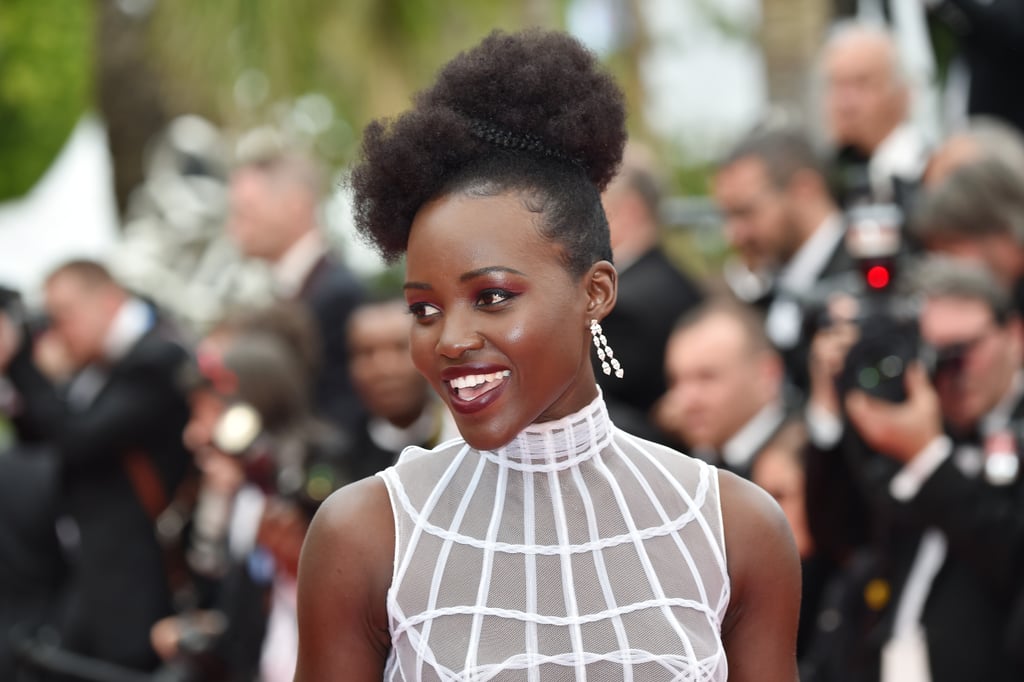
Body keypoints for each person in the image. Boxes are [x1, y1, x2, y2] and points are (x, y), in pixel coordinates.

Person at [294, 29, 800, 681]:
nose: (450, 339)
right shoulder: (365, 536)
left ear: (595, 292)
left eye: (493, 296)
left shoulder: (734, 528)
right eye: (424, 308)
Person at [807, 258, 1024, 681]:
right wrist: (832, 408)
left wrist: (928, 459)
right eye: (934, 354)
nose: (950, 371)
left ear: (1014, 335)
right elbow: (843, 536)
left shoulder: (927, 441)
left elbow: (1014, 554)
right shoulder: (916, 421)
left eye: (962, 351)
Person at [0, 260, 192, 671]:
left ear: (108, 301)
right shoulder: (99, 369)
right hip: (95, 583)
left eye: (63, 316)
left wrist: (21, 361)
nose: (55, 331)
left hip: (138, 586)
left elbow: (78, 438)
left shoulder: (156, 359)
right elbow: (42, 438)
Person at [227, 146, 365, 437]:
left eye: (246, 212)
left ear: (296, 206)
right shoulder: (291, 292)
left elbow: (341, 417)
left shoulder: (338, 296)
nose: (233, 229)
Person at [713, 127, 853, 396]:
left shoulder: (864, 274)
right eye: (727, 217)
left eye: (746, 212)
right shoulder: (764, 284)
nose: (733, 235)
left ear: (804, 189)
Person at [595, 142, 703, 442]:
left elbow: (589, 410)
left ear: (628, 211)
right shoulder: (681, 281)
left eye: (590, 209)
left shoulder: (621, 306)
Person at [653, 300, 787, 479]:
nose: (685, 400)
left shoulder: (812, 462)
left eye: (706, 377)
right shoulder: (680, 469)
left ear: (767, 374)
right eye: (675, 381)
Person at [345, 298, 457, 481]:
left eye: (401, 348)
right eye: (366, 353)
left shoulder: (466, 443)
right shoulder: (337, 460)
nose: (385, 369)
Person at [822, 22, 930, 206]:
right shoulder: (823, 179)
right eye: (836, 84)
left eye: (861, 84)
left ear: (902, 94)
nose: (845, 103)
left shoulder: (927, 176)